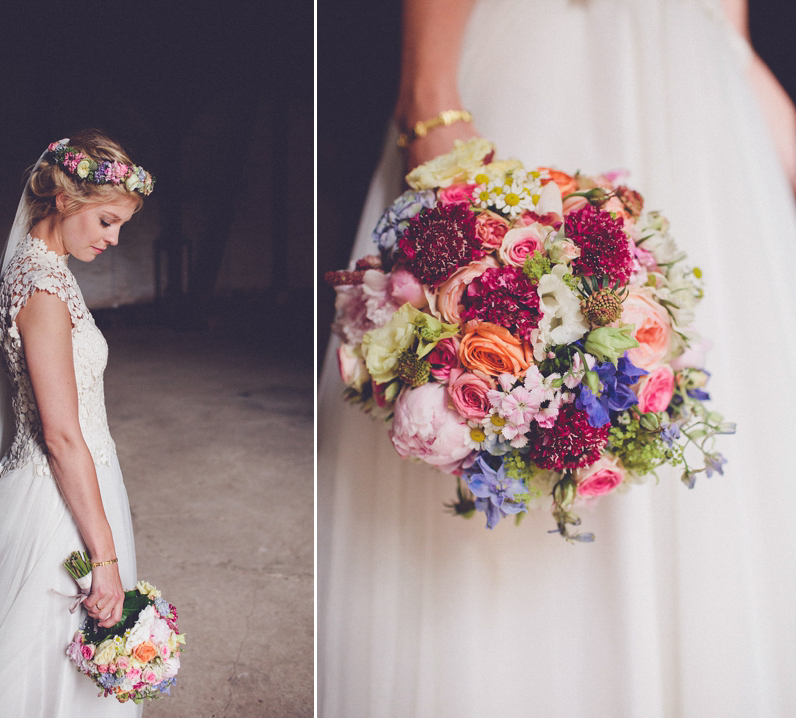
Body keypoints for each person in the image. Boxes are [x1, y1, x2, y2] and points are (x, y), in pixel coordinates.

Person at [318, 1, 796, 716]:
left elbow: (728, 25)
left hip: (704, 119)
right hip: (548, 68)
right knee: (500, 365)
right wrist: (429, 103)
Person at [0, 130, 154, 717]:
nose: (114, 239)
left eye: (122, 227)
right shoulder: (42, 288)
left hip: (66, 484)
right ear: (64, 201)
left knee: (51, 654)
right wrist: (105, 560)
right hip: (55, 504)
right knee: (47, 651)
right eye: (107, 222)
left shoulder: (37, 269)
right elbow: (62, 436)